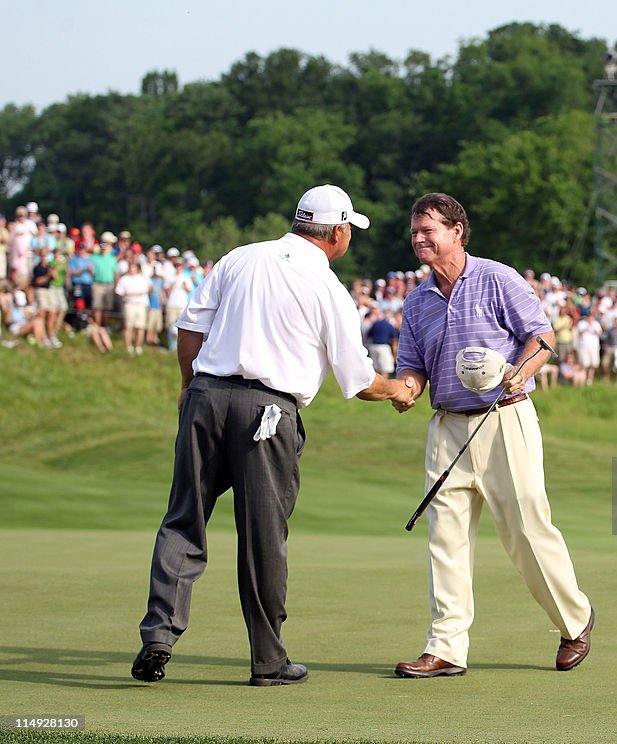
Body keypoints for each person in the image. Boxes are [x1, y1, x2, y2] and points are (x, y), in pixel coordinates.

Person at [132, 184, 415, 686]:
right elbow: (359, 382)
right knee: (263, 537)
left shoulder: (240, 257)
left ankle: (159, 633)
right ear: (339, 232)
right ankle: (268, 661)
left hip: (206, 395)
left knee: (184, 519)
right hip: (267, 412)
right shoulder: (328, 287)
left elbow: (191, 329)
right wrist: (398, 390)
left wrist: (186, 387)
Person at [392, 192, 593, 678]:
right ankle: (445, 648)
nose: (419, 238)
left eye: (428, 230)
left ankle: (575, 620)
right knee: (445, 539)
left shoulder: (498, 278)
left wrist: (520, 372)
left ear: (457, 231)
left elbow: (541, 338)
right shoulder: (417, 302)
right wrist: (404, 390)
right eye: (415, 231)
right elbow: (414, 367)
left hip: (505, 416)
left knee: (526, 530)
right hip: (446, 427)